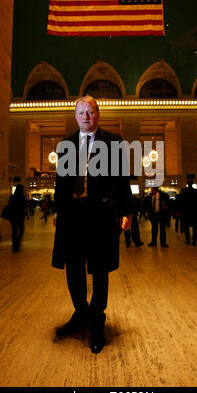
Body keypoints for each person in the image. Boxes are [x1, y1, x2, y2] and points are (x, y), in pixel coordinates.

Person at [52, 95, 133, 354]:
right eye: (81, 112)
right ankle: (81, 313)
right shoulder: (66, 144)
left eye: (91, 111)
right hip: (73, 214)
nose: (86, 116)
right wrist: (58, 211)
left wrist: (128, 211)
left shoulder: (114, 142)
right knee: (73, 267)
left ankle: (97, 318)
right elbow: (61, 183)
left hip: (101, 214)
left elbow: (122, 180)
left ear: (98, 114)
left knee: (99, 268)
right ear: (75, 116)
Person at [180, 174, 197, 246]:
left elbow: (181, 202)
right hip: (195, 212)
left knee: (186, 227)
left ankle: (187, 239)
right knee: (195, 227)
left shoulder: (183, 191)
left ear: (187, 184)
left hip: (186, 212)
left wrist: (180, 211)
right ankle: (194, 240)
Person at [8, 184, 28, 253]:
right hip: (20, 216)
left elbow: (9, 205)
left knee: (14, 231)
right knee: (21, 230)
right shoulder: (22, 197)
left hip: (13, 216)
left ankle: (14, 246)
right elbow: (25, 206)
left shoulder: (12, 197)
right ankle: (17, 243)